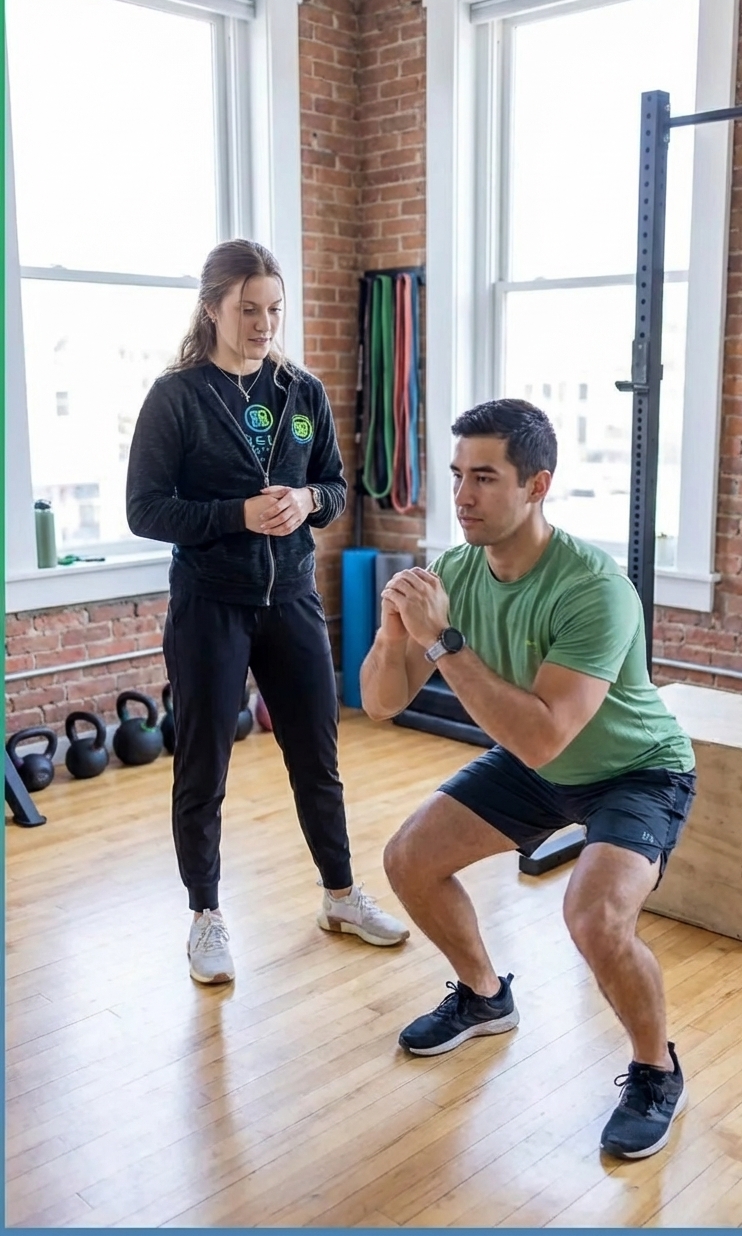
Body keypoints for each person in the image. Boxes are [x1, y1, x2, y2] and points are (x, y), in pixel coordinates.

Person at [360, 398, 697, 1161]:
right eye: (457, 477)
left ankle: (655, 1070)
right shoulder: (454, 571)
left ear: (537, 484)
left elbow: (546, 735)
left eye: (485, 477)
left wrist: (443, 640)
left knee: (594, 916)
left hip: (635, 771)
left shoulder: (593, 589)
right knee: (408, 858)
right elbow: (382, 705)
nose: (464, 496)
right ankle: (484, 995)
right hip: (537, 763)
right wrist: (392, 634)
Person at [127, 239, 408, 985]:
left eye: (273, 309)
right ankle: (206, 917)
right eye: (247, 309)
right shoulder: (176, 397)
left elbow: (336, 488)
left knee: (318, 761)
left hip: (291, 601)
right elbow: (146, 510)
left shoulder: (301, 391)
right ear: (212, 307)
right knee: (204, 769)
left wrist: (307, 500)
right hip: (209, 607)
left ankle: (341, 896)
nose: (262, 323)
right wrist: (238, 514)